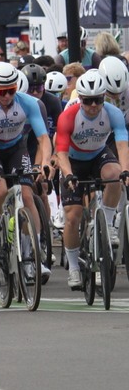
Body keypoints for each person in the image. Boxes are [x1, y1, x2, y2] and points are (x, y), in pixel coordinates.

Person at [0, 63, 51, 282]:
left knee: (28, 196)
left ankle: (31, 257)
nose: (7, 96)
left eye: (11, 90)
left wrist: (44, 162)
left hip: (17, 148)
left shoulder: (29, 103)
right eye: (1, 92)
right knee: (0, 190)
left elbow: (43, 138)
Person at [55, 71, 129, 288]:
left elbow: (123, 144)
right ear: (81, 99)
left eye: (99, 100)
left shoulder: (113, 113)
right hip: (73, 160)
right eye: (88, 101)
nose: (94, 105)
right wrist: (68, 174)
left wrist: (125, 170)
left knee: (115, 175)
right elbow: (60, 152)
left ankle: (107, 225)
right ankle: (74, 269)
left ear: (104, 97)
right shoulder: (68, 116)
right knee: (73, 217)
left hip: (98, 154)